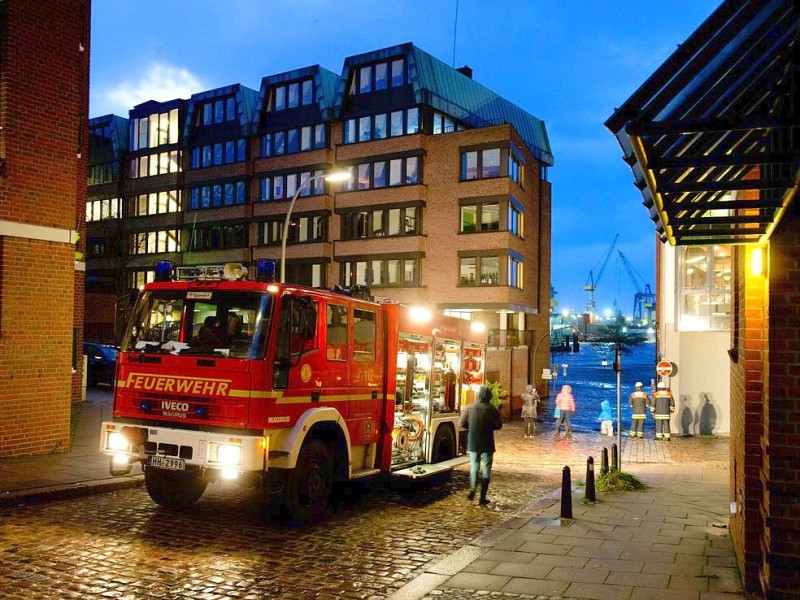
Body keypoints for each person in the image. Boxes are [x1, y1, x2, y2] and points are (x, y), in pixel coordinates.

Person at [459, 385, 503, 506]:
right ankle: (482, 497)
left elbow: (461, 423)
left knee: (474, 466)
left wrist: (472, 428)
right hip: (488, 442)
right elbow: (499, 425)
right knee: (487, 469)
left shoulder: (470, 407)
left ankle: (473, 489)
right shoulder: (492, 409)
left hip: (473, 441)